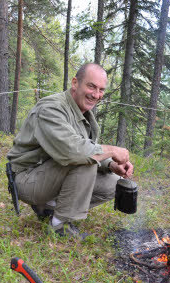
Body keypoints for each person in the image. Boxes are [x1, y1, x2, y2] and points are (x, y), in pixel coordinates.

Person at [7, 63, 133, 238]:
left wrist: (111, 165)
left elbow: (87, 147)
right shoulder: (51, 108)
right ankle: (60, 226)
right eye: (91, 86)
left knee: (114, 183)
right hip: (27, 178)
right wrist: (111, 150)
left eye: (101, 90)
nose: (96, 95)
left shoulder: (82, 112)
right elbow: (74, 152)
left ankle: (49, 208)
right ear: (75, 83)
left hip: (50, 173)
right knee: (84, 160)